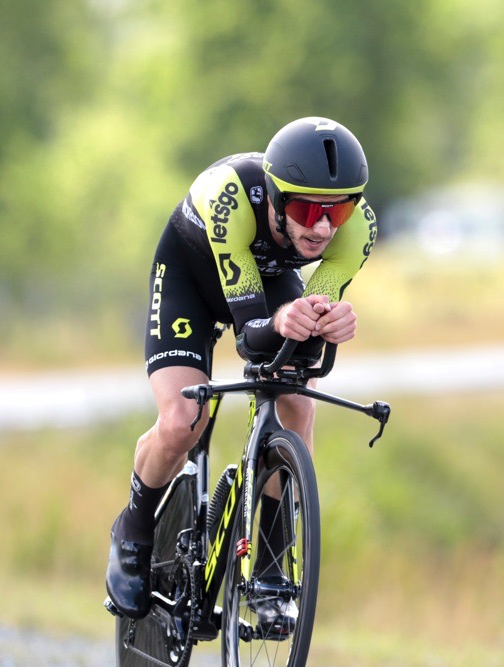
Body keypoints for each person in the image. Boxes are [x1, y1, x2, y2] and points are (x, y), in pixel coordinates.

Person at [105, 116, 378, 634]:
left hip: (267, 284)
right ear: (275, 198)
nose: (323, 228)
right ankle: (133, 530)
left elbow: (306, 325)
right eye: (307, 210)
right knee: (183, 420)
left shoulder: (358, 230)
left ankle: (272, 562)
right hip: (191, 277)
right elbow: (250, 338)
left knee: (298, 404)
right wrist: (284, 321)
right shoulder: (229, 195)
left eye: (337, 211)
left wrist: (328, 322)